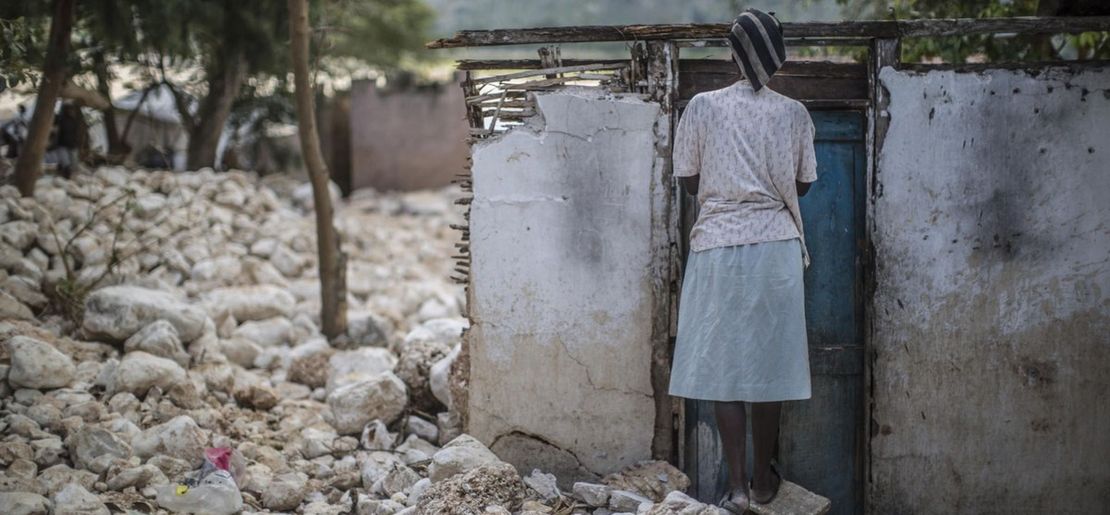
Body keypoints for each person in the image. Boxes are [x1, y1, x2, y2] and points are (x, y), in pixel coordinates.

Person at [667, 8, 817, 513]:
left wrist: (724, 195)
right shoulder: (793, 113)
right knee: (767, 366)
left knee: (723, 367)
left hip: (716, 246)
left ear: (733, 53)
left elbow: (688, 177)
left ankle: (733, 488)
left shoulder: (702, 107)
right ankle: (761, 481)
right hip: (774, 245)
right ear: (777, 56)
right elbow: (803, 183)